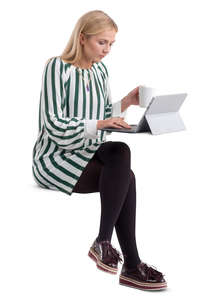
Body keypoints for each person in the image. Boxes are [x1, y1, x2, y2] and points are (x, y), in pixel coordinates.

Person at [32, 10, 167, 291]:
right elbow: (53, 123)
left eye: (111, 44)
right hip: (57, 156)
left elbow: (102, 114)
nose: (107, 50)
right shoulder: (57, 68)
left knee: (120, 149)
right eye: (101, 43)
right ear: (82, 38)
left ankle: (103, 242)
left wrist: (126, 103)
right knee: (126, 178)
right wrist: (102, 122)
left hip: (88, 148)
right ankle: (131, 264)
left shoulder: (100, 70)